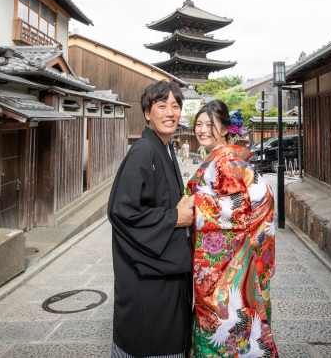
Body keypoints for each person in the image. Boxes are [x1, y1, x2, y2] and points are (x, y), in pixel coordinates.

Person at [107, 81, 195, 358]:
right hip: (147, 280)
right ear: (147, 112)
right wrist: (174, 218)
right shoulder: (143, 151)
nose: (170, 113)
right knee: (152, 342)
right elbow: (122, 212)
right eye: (161, 106)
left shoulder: (165, 149)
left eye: (175, 106)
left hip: (164, 273)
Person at [185, 100, 278, 357]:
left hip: (229, 261)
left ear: (226, 129)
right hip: (241, 252)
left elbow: (235, 208)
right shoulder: (225, 159)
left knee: (222, 316)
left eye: (210, 125)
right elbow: (260, 199)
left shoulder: (225, 162)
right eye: (199, 125)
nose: (202, 130)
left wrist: (195, 203)